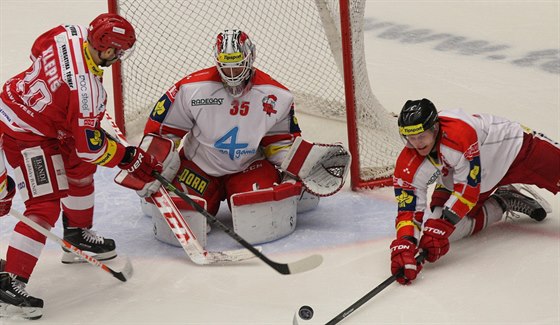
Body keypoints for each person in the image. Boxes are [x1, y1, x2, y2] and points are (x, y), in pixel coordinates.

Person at [0, 13, 162, 319]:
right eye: (118, 51)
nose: (119, 57)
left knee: (78, 167)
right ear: (106, 47)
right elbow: (91, 148)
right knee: (44, 206)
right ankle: (10, 285)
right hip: (25, 133)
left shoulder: (69, 32)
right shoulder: (86, 90)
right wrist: (128, 157)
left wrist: (61, 104)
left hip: (35, 114)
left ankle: (76, 234)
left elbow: (37, 50)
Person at [135, 29, 343, 247]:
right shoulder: (191, 89)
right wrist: (149, 167)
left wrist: (299, 166)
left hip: (248, 166)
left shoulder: (277, 95)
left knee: (261, 218)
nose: (232, 72)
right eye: (226, 66)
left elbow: (278, 143)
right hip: (199, 167)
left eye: (237, 64)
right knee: (181, 215)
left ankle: (293, 195)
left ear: (250, 57)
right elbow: (162, 133)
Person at [389, 98, 559, 285]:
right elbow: (409, 210)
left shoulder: (459, 134)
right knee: (448, 230)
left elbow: (468, 190)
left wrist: (442, 226)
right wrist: (405, 244)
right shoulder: (408, 162)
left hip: (514, 151)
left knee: (442, 226)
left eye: (421, 136)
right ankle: (504, 200)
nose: (417, 143)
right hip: (466, 176)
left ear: (435, 128)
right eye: (410, 137)